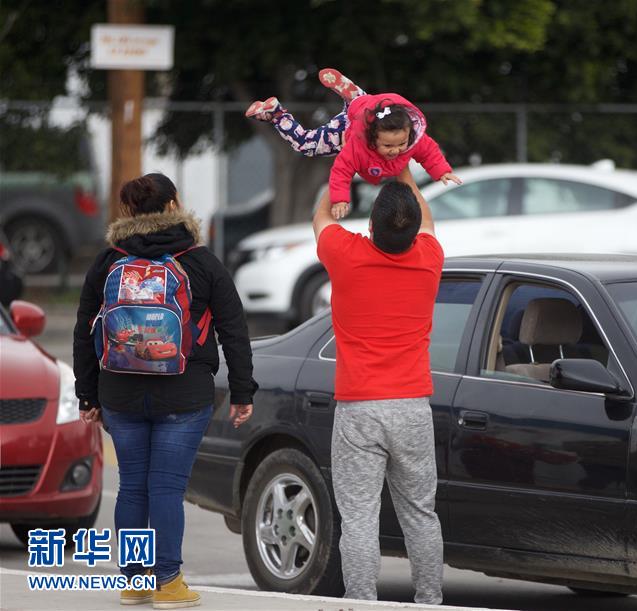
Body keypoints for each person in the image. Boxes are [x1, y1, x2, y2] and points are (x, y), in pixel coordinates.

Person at [73, 173, 257, 608]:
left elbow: (85, 330)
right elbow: (234, 330)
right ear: (174, 206)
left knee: (133, 485)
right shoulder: (201, 261)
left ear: (129, 212)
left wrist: (88, 395)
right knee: (166, 489)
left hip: (119, 392)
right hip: (184, 393)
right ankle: (169, 582)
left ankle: (136, 580)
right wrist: (243, 392)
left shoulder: (107, 261)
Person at [312, 167, 444, 604]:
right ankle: (429, 601)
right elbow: (425, 220)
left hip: (359, 408)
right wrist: (403, 168)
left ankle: (362, 601)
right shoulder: (429, 258)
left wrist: (340, 172)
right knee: (421, 514)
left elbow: (322, 218)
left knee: (360, 518)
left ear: (371, 226)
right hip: (411, 407)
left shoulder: (346, 253)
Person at [246, 68, 461, 220]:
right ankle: (276, 114)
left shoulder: (413, 138)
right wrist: (340, 200)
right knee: (306, 145)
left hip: (371, 114)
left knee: (367, 107)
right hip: (346, 131)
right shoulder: (356, 148)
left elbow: (430, 151)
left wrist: (442, 171)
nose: (395, 150)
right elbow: (341, 171)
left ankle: (358, 99)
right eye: (387, 146)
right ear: (373, 139)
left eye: (401, 143)